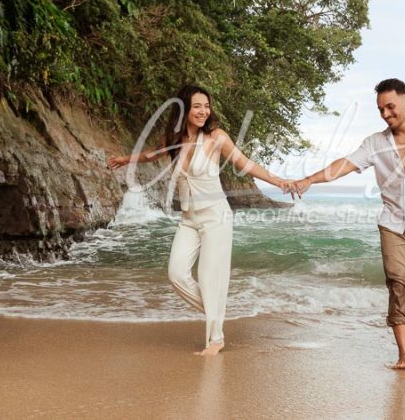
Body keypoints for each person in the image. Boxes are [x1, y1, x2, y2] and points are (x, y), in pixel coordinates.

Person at [289, 78, 405, 369]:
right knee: (397, 285)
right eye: (381, 109)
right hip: (393, 225)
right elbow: (344, 164)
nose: (386, 114)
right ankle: (402, 354)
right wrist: (309, 179)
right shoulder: (375, 143)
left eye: (390, 107)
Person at [108, 84, 288, 356]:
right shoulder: (175, 140)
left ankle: (215, 339)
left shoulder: (216, 137)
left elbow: (245, 163)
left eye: (206, 106)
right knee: (176, 274)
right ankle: (216, 313)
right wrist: (125, 159)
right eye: (197, 106)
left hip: (216, 217)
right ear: (184, 109)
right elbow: (150, 155)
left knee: (208, 276)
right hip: (189, 220)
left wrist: (277, 181)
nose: (204, 111)